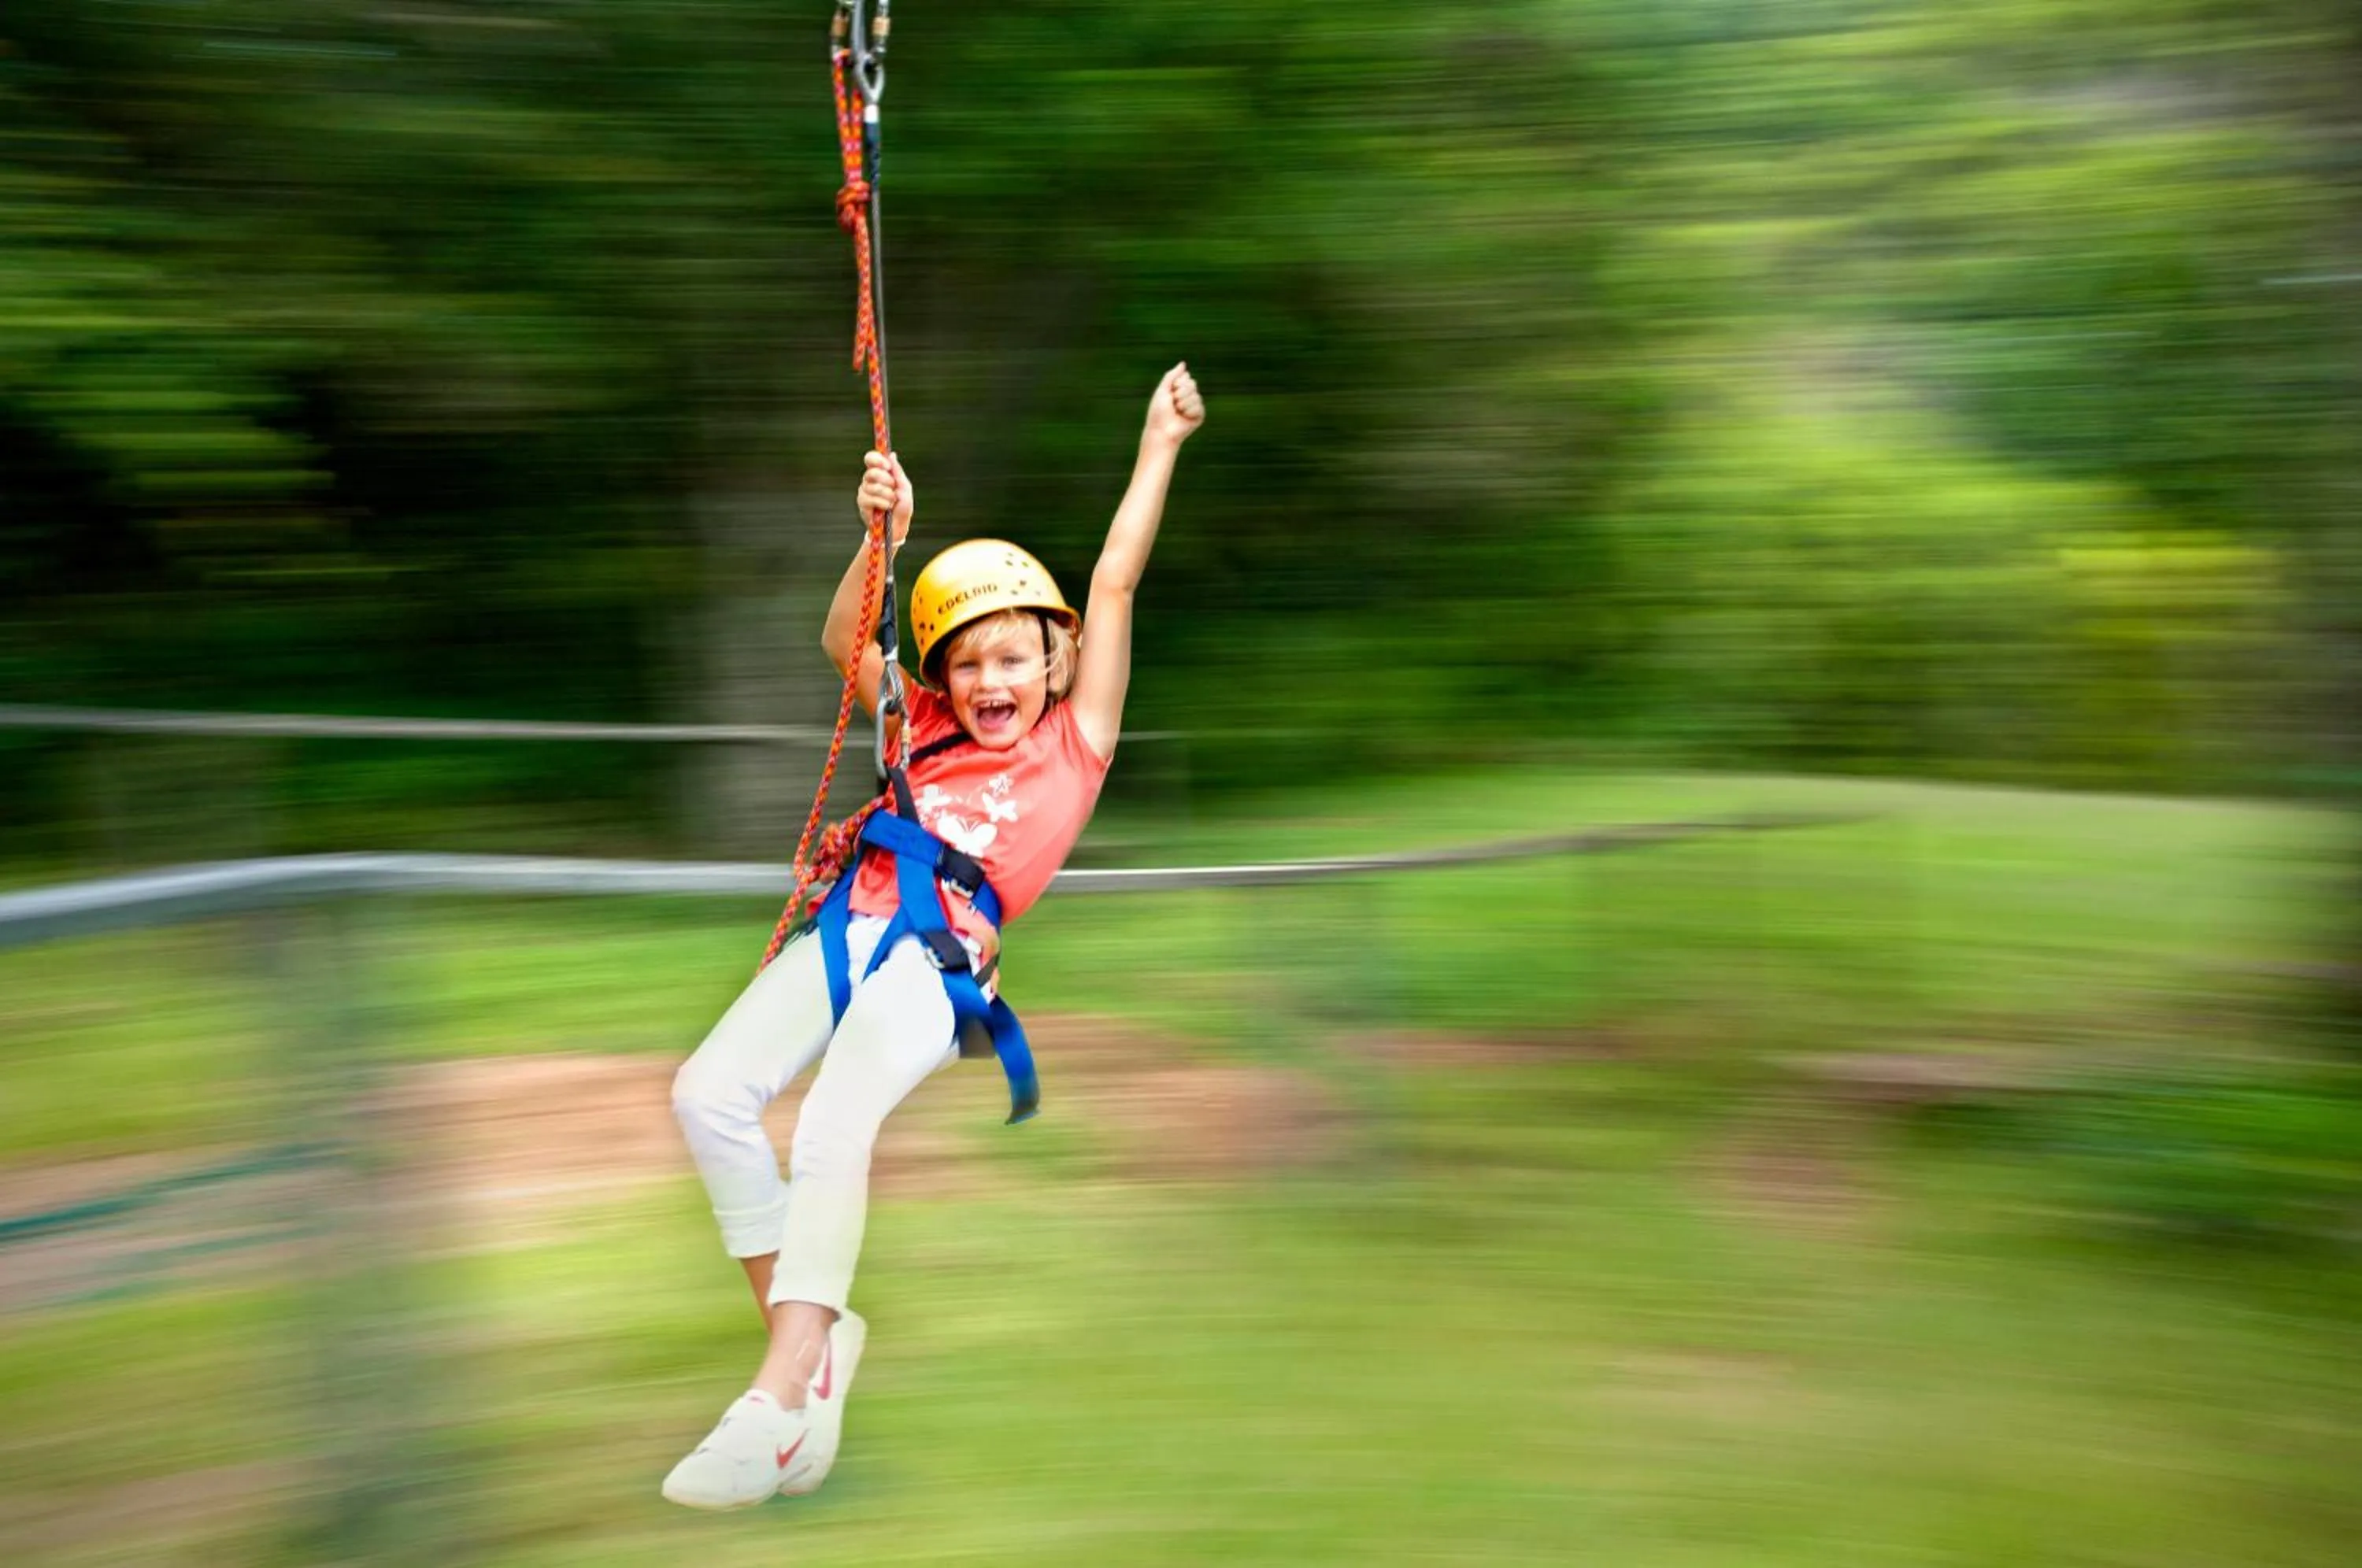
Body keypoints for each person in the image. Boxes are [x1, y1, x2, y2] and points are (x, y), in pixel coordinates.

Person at [661, 364, 1205, 1508]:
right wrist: (881, 538)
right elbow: (838, 639)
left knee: (832, 1121)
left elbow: (1111, 583)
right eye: (968, 661)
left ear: (1052, 664)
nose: (991, 677)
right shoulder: (923, 729)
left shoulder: (1077, 743)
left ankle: (775, 1396)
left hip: (938, 960)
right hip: (847, 928)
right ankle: (812, 1343)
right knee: (707, 1092)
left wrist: (1157, 446)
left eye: (1014, 657)